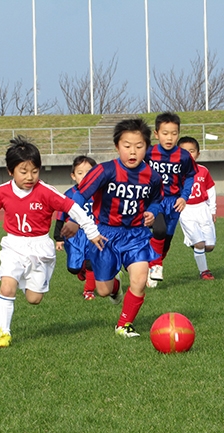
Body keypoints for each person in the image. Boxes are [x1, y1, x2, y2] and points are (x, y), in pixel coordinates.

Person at [0, 137, 104, 348]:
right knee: (7, 286)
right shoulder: (2, 192)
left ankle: (25, 281)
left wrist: (91, 231)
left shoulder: (45, 191)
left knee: (34, 298)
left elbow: (73, 207)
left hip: (40, 248)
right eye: (23, 171)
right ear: (10, 171)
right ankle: (4, 333)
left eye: (35, 171)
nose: (30, 177)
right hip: (13, 246)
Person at [63, 118, 163, 338]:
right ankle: (115, 288)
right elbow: (80, 195)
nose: (133, 151)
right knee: (103, 290)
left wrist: (152, 213)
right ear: (117, 146)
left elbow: (157, 200)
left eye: (139, 146)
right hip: (105, 234)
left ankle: (124, 325)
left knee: (139, 278)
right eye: (127, 146)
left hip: (136, 234)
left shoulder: (152, 176)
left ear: (147, 147)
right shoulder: (104, 171)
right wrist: (74, 220)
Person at [145, 112, 197, 287]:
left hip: (174, 202)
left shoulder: (183, 156)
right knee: (158, 230)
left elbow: (190, 177)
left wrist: (184, 197)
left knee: (166, 241)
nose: (169, 138)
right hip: (154, 201)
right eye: (165, 133)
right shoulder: (148, 153)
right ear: (156, 133)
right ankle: (155, 266)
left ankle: (152, 265)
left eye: (174, 133)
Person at [53, 155, 97, 300]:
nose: (85, 176)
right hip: (75, 235)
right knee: (74, 268)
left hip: (93, 233)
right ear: (73, 176)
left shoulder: (100, 193)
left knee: (91, 262)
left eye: (89, 172)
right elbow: (60, 217)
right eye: (80, 173)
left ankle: (89, 291)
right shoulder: (69, 195)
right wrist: (58, 238)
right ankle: (82, 271)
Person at [177, 136, 216, 280]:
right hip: (186, 209)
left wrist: (213, 210)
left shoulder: (203, 170)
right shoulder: (175, 172)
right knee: (200, 244)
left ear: (197, 154)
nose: (188, 154)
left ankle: (195, 243)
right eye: (184, 151)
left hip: (203, 209)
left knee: (209, 245)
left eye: (191, 151)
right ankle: (204, 271)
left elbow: (211, 190)